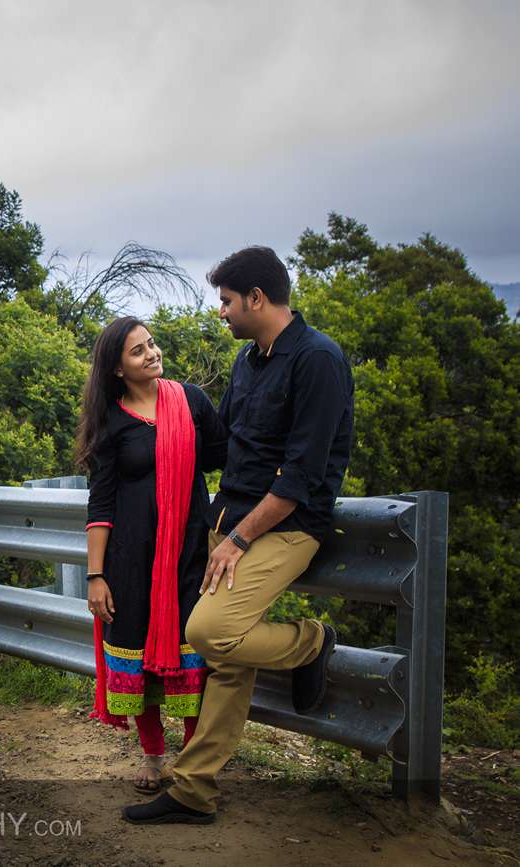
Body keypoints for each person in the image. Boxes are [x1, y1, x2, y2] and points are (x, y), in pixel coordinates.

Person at [124, 246, 354, 826]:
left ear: (256, 298)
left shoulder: (318, 360)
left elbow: (301, 477)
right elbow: (223, 446)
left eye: (226, 301)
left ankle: (310, 642)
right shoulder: (249, 360)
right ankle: (193, 791)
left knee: (208, 631)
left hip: (287, 525)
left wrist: (239, 539)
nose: (221, 312)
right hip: (229, 516)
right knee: (226, 662)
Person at [75, 316, 228, 795]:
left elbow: (226, 456)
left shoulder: (192, 402)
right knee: (137, 655)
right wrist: (95, 576)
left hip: (188, 555)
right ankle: (153, 755)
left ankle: (195, 757)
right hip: (129, 561)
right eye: (138, 351)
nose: (152, 354)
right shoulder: (112, 423)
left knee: (191, 653)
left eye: (152, 344)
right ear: (118, 369)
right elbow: (100, 506)